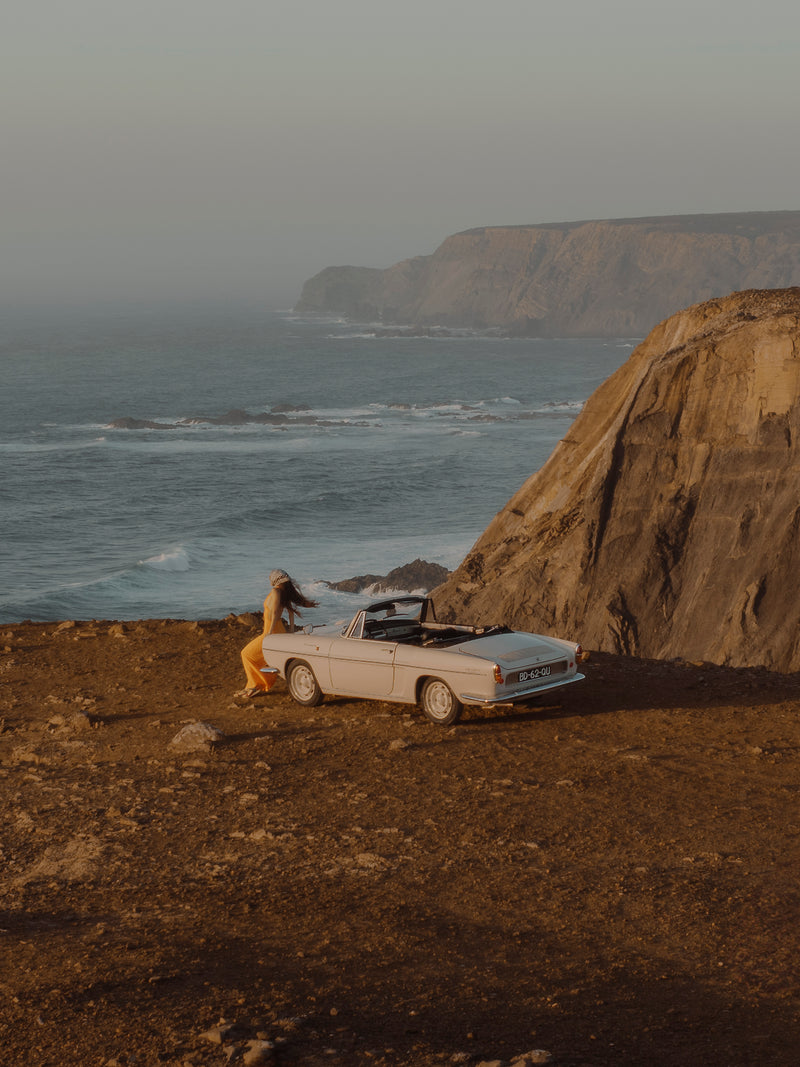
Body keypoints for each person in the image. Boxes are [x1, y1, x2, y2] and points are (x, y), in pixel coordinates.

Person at [237, 569, 318, 698]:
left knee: (246, 654)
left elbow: (274, 613)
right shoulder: (282, 593)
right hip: (276, 630)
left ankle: (255, 686)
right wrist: (290, 630)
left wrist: (269, 633)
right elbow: (291, 612)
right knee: (261, 658)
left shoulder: (276, 592)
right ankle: (254, 685)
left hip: (271, 631)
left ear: (274, 580)